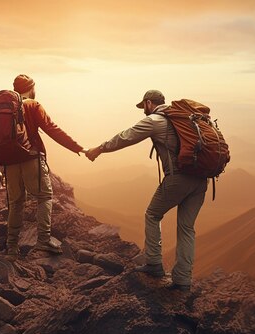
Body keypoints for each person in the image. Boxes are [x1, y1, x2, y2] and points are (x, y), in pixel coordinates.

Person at [85, 90, 208, 291]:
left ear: (149, 103)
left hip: (179, 178)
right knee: (186, 228)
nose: (144, 111)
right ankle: (183, 279)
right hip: (201, 179)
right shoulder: (185, 119)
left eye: (144, 107)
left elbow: (125, 137)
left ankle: (154, 264)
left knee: (152, 214)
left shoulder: (155, 120)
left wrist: (99, 149)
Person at [0, 74, 87, 260]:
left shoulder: (2, 109)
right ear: (31, 88)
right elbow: (52, 129)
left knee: (15, 203)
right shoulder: (33, 105)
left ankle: (11, 248)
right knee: (44, 197)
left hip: (8, 163)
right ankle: (43, 241)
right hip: (31, 158)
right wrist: (77, 147)